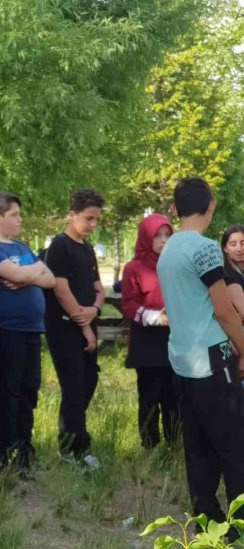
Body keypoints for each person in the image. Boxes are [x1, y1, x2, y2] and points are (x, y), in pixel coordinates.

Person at [156, 177, 244, 528]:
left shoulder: (169, 249)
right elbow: (224, 312)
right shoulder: (205, 248)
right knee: (234, 445)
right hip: (213, 357)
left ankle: (207, 519)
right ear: (211, 206)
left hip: (181, 358)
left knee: (197, 445)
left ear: (175, 209)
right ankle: (238, 526)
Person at [0, 192, 54, 469]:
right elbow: (30, 274)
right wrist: (32, 272)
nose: (20, 219)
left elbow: (51, 279)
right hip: (7, 330)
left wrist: (26, 276)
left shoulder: (22, 247)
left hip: (33, 330)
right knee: (8, 391)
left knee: (28, 390)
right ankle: (6, 449)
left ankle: (24, 448)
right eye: (15, 215)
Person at [44, 188, 106, 469]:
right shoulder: (60, 246)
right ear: (72, 215)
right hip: (65, 327)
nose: (92, 225)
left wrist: (94, 309)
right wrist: (84, 324)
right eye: (88, 219)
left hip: (86, 322)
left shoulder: (87, 248)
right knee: (74, 385)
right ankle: (76, 449)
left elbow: (97, 288)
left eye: (96, 220)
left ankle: (70, 435)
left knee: (88, 380)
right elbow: (61, 289)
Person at [120, 214, 180, 448]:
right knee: (150, 397)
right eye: (158, 236)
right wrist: (156, 317)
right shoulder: (134, 268)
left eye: (168, 235)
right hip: (148, 344)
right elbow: (128, 305)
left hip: (176, 341)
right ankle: (150, 446)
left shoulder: (177, 266)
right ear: (146, 237)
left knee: (174, 397)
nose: (164, 241)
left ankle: (175, 444)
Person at [221, 225, 244, 320]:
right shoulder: (229, 274)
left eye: (243, 243)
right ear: (225, 248)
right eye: (233, 244)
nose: (239, 249)